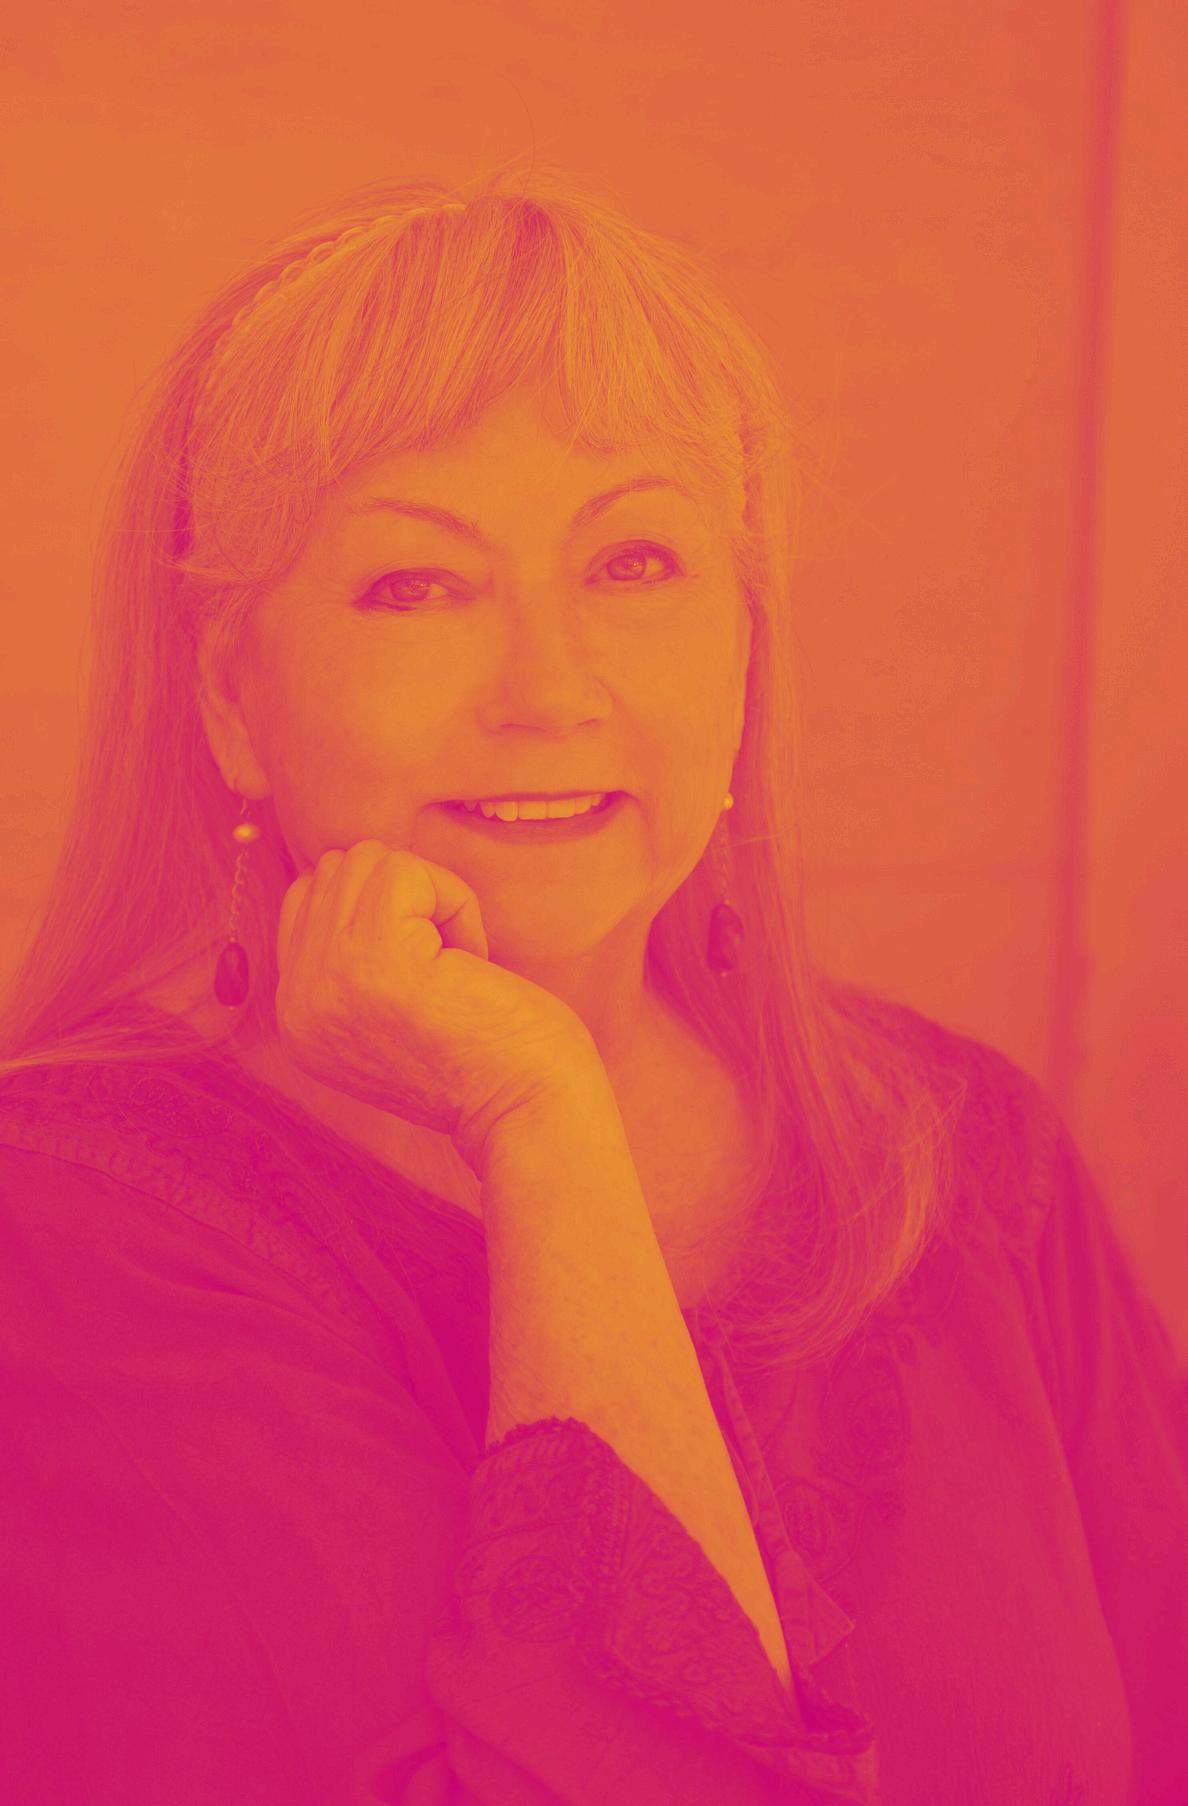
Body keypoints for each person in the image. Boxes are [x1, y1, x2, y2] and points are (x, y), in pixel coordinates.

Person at [0, 165, 1184, 1806]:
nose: (550, 691)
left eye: (634, 563)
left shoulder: (969, 1153)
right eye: (419, 585)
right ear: (231, 700)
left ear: (745, 650)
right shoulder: (64, 1238)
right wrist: (540, 1114)